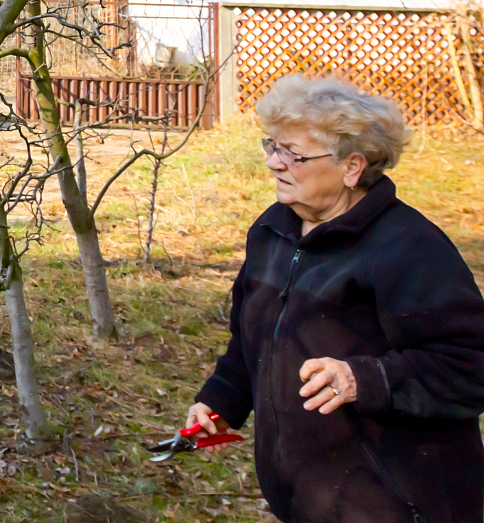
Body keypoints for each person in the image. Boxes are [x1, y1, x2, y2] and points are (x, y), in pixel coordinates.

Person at [186, 74, 484, 522]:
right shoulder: (271, 232)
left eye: (295, 155)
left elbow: (471, 364)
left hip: (399, 503)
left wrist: (365, 379)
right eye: (273, 146)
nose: (274, 164)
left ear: (352, 167)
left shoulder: (408, 248)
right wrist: (222, 399)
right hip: (310, 499)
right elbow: (254, 339)